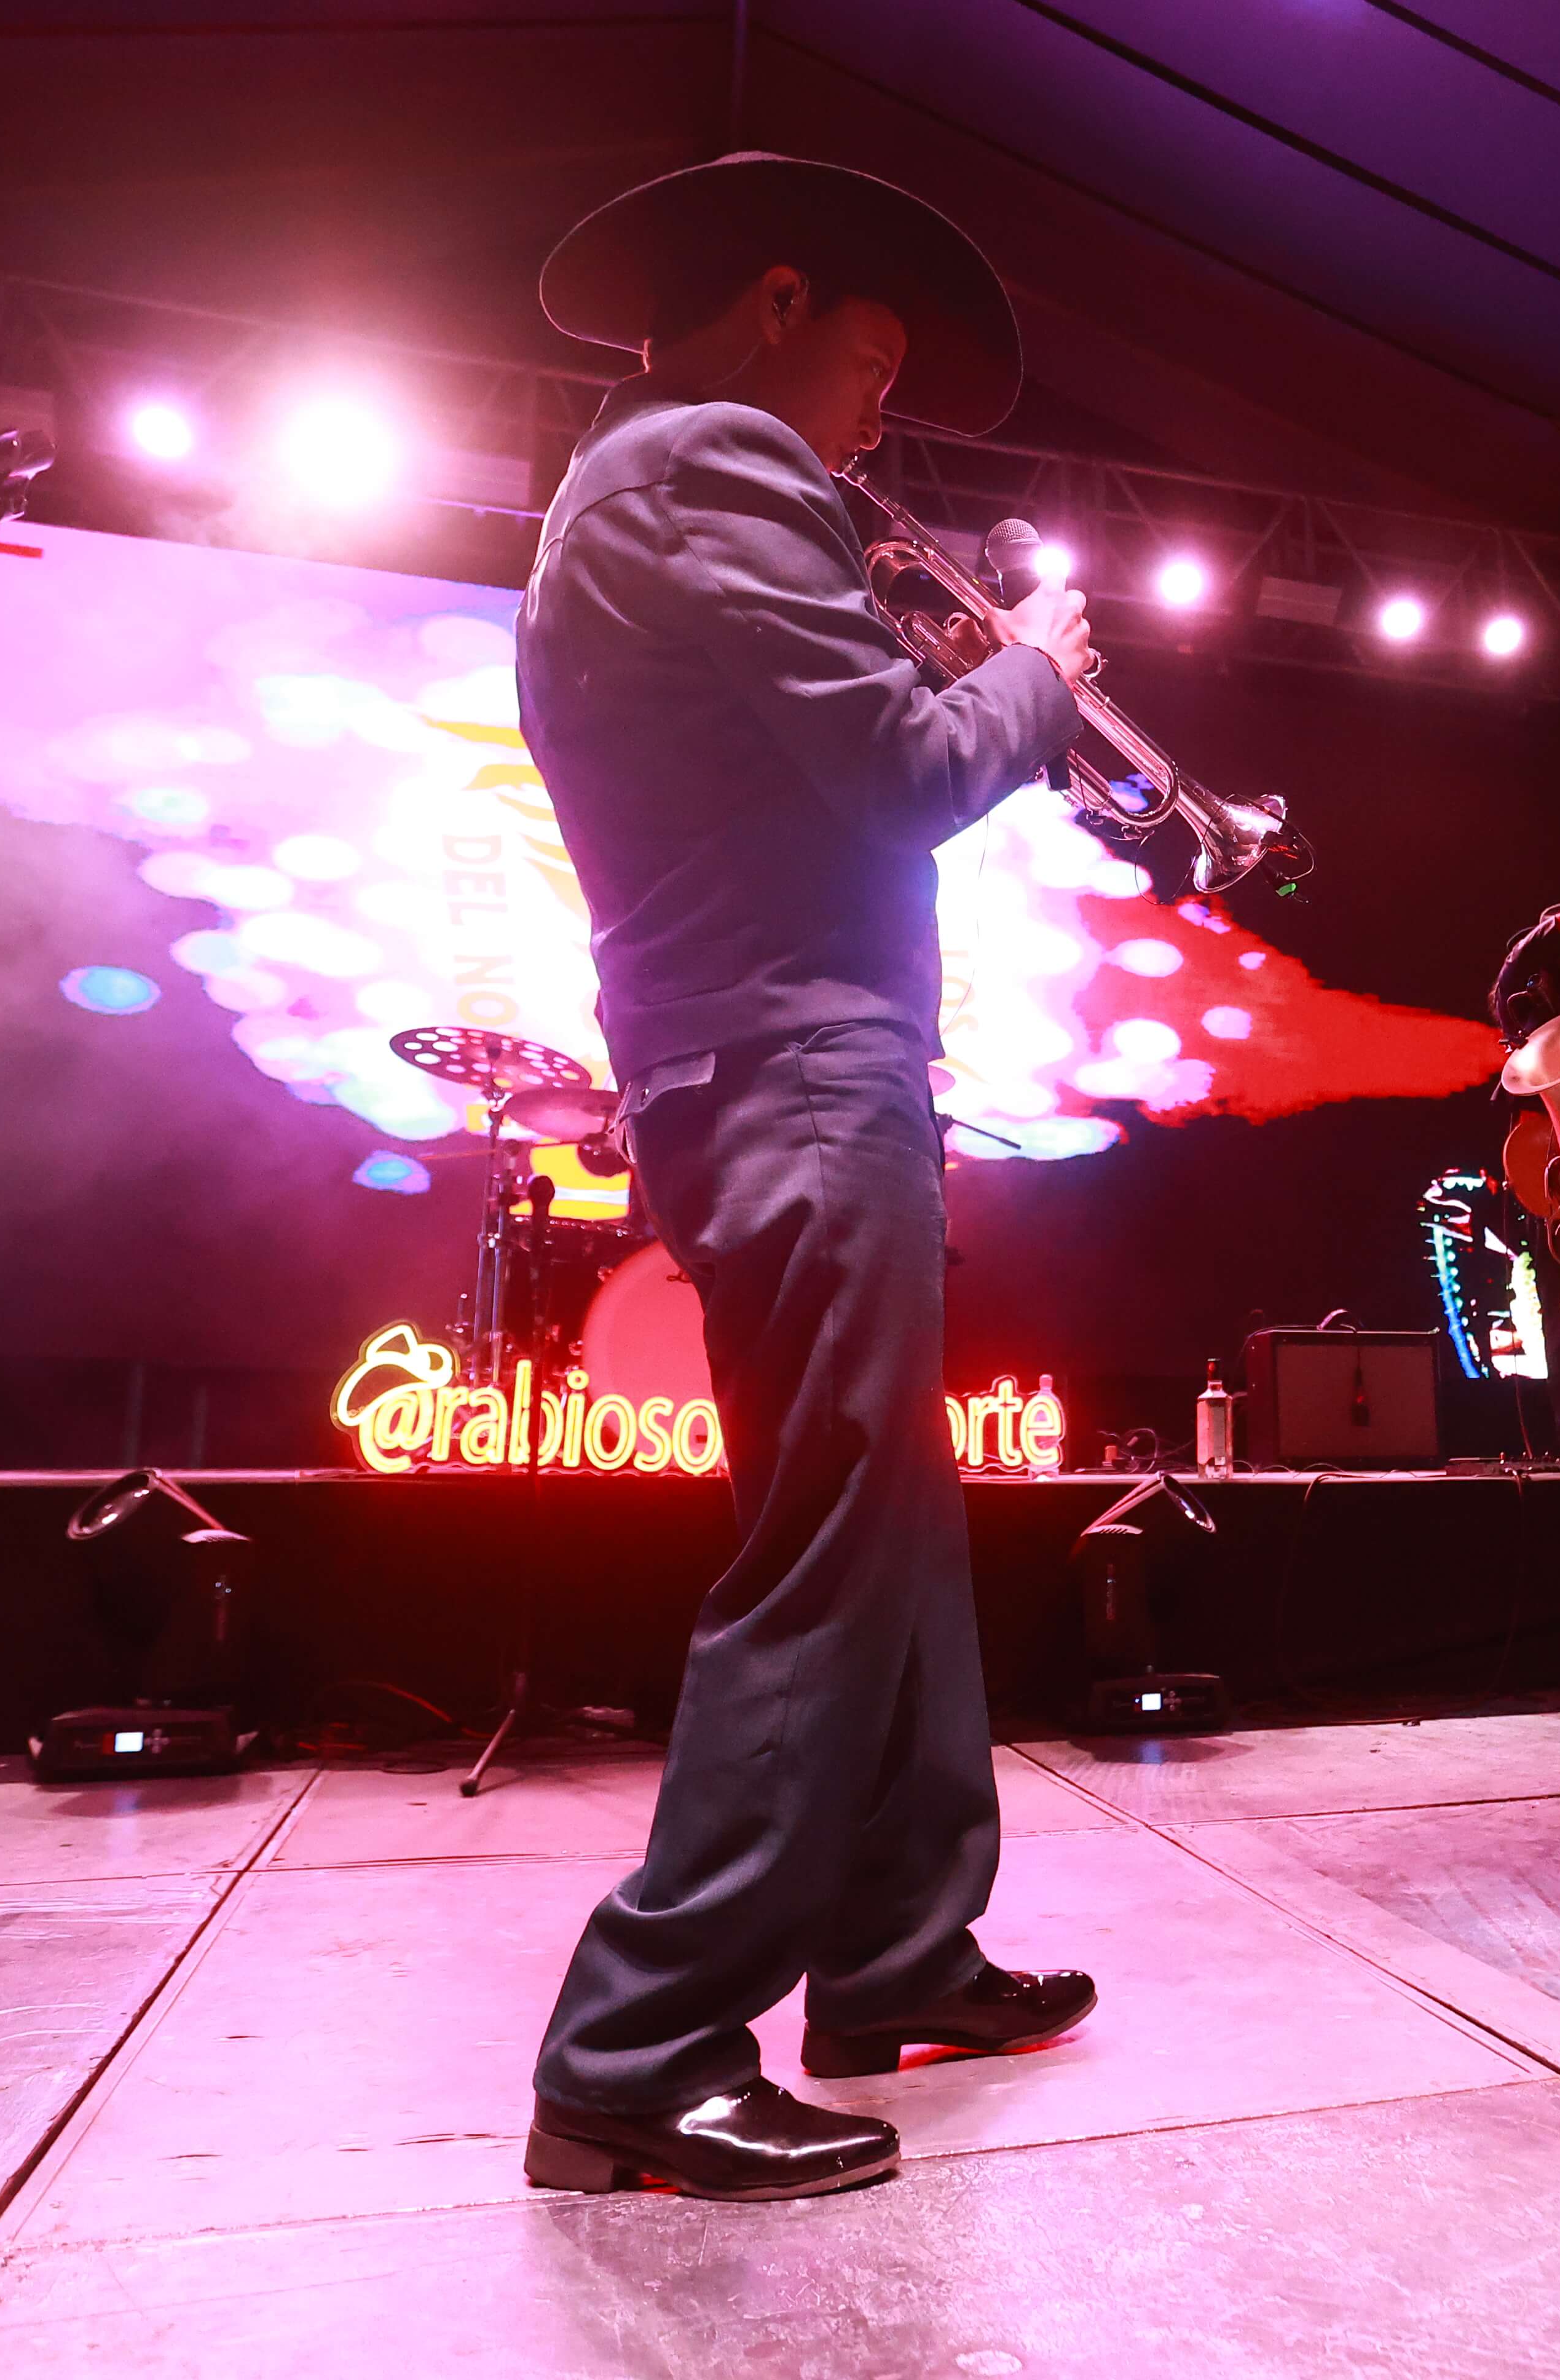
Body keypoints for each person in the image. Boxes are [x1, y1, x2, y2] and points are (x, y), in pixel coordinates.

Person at [509, 154, 1100, 2202]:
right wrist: (1037, 663)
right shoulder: (708, 470)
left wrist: (984, 681)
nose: (878, 413)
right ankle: (639, 2046)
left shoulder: (652, 492)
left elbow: (834, 758)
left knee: (893, 1519)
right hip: (791, 1060)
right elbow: (908, 772)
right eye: (875, 359)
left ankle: (896, 1953)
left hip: (774, 1059)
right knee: (834, 1541)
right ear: (779, 303)